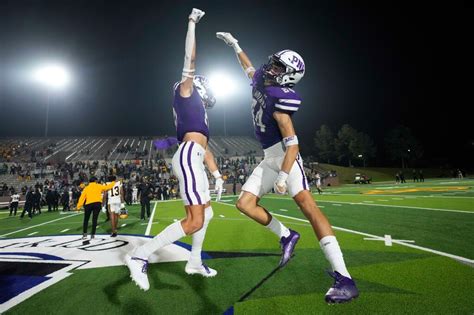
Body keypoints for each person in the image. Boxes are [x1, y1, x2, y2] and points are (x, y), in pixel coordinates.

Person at [217, 32, 359, 303]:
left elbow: (293, 146)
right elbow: (248, 67)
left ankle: (345, 278)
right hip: (268, 156)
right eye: (274, 64)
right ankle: (286, 235)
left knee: (309, 207)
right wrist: (235, 44)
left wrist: (283, 175)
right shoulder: (262, 79)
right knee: (245, 204)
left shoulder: (281, 101)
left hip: (285, 158)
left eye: (279, 68)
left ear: (289, 76)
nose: (271, 69)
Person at [125, 8, 224, 291]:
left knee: (208, 213)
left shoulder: (198, 114)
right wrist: (192, 23)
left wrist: (216, 175)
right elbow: (189, 58)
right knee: (194, 220)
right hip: (188, 157)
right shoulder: (185, 91)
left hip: (195, 155)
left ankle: (193, 261)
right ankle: (140, 255)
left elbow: (206, 148)